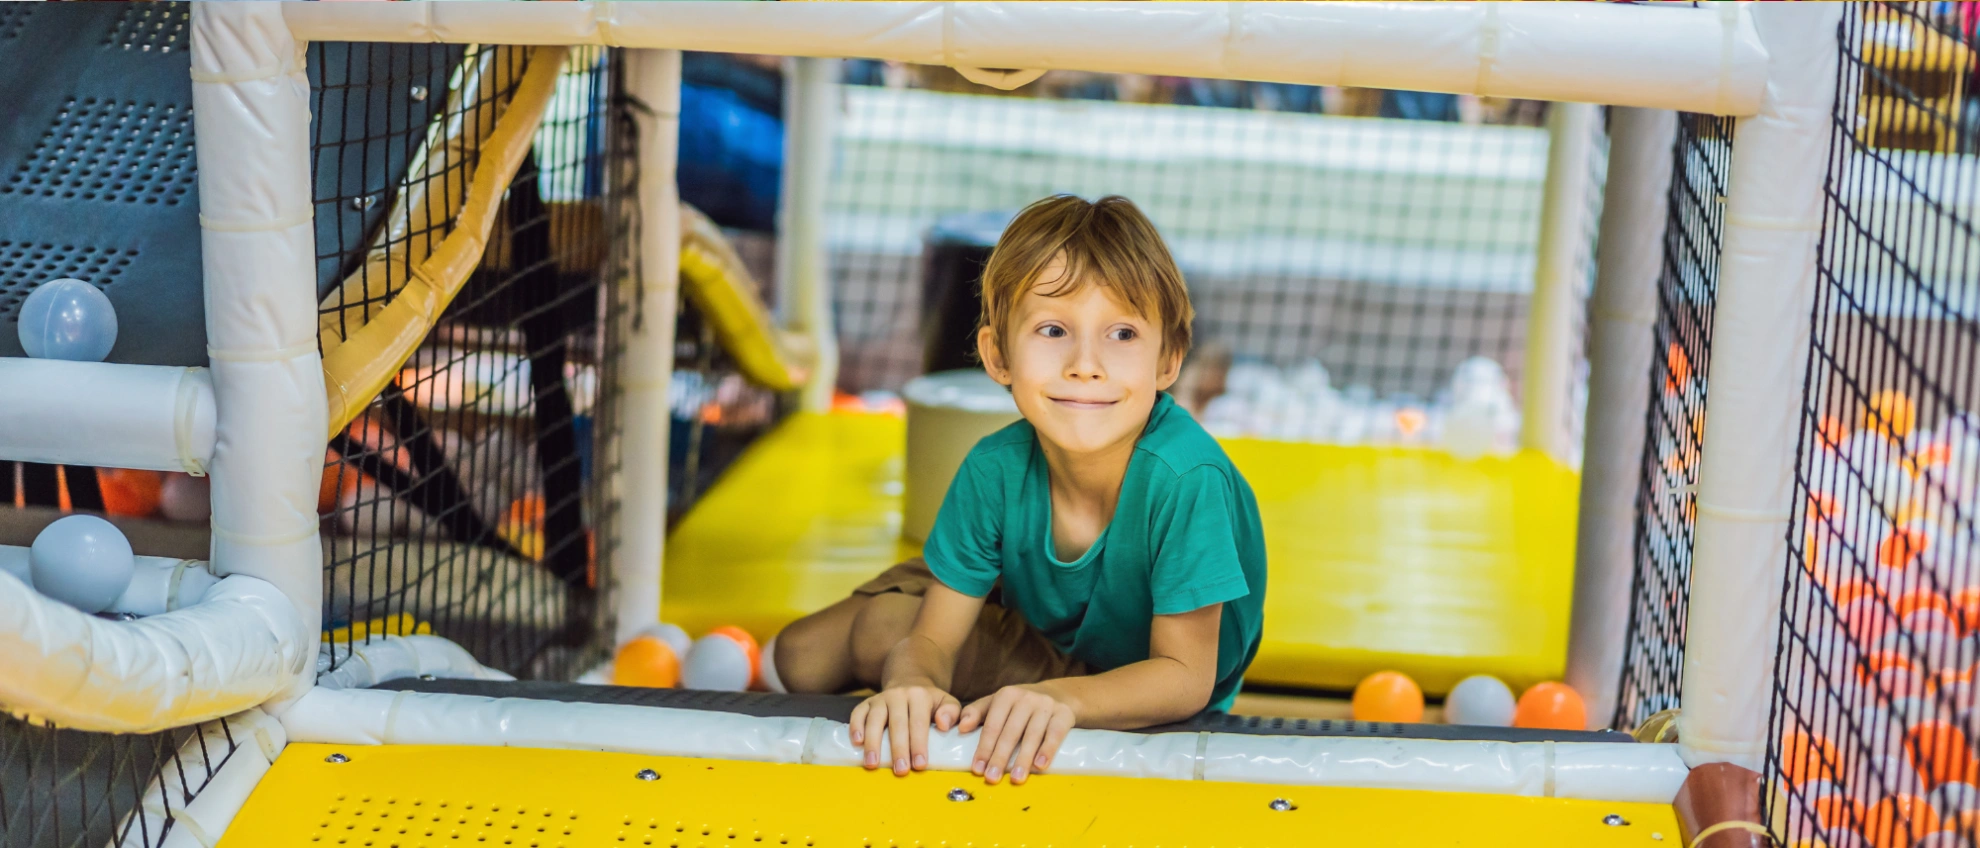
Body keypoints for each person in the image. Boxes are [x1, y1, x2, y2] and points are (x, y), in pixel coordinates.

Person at [765, 195, 1267, 786]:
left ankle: (1000, 633)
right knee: (800, 654)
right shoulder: (995, 467)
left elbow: (1184, 677)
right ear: (998, 356)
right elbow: (932, 640)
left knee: (880, 630)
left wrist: (1060, 699)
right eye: (1053, 330)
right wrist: (912, 686)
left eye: (1123, 333)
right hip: (1038, 602)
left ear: (1168, 361)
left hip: (1128, 679)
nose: (1086, 364)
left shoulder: (1185, 479)